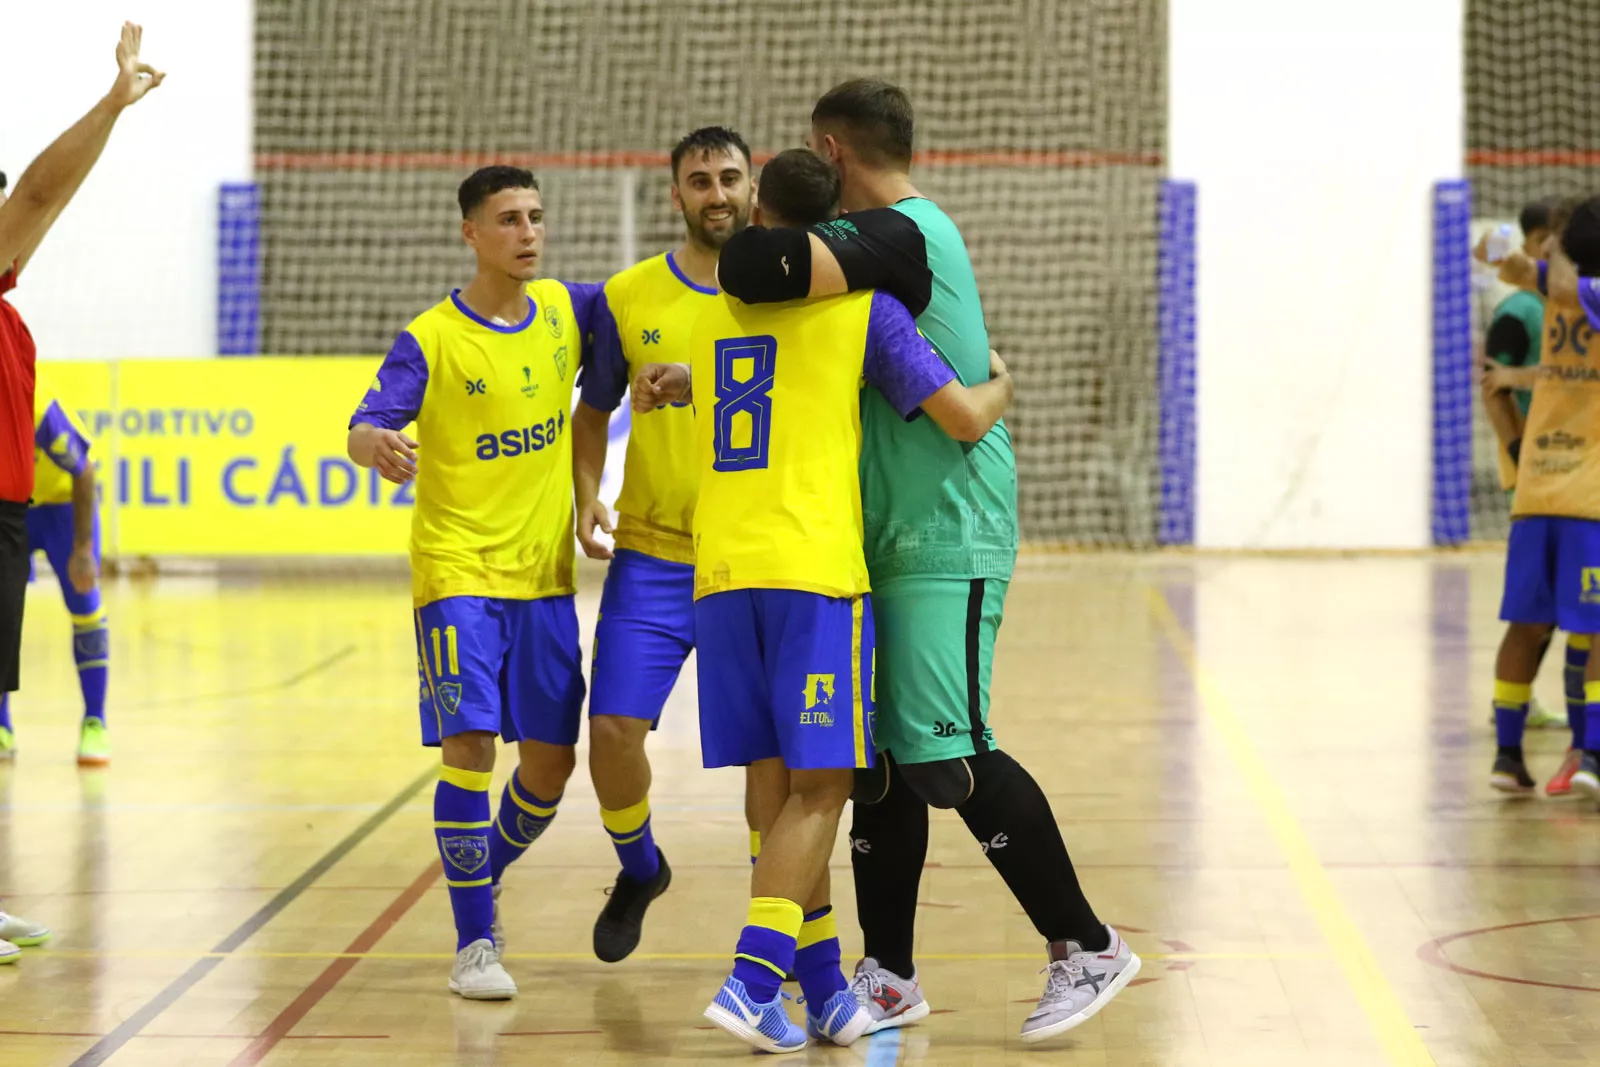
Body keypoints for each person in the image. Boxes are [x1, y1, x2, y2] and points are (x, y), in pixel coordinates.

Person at [717, 79, 1139, 1043]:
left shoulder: (907, 231)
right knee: (881, 765)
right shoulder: (871, 260)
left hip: (948, 523)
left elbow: (748, 260)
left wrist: (991, 396)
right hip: (878, 535)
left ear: (831, 149)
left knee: (946, 752)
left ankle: (1087, 943)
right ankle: (892, 972)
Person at [633, 148, 1015, 1054]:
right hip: (813, 571)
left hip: (721, 574)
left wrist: (679, 381)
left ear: (759, 211)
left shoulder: (709, 315)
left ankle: (824, 992)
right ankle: (750, 977)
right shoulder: (863, 312)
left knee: (775, 784)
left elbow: (746, 379)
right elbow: (962, 417)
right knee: (827, 785)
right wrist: (1003, 379)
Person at [347, 166, 606, 999]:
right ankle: (474, 943)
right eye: (508, 220)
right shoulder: (431, 337)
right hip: (456, 572)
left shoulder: (571, 310)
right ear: (471, 232)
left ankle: (479, 871)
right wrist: (373, 445)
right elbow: (364, 423)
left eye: (535, 217)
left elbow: (661, 307)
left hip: (544, 582)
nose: (528, 232)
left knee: (551, 766)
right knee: (468, 749)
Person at [570, 127, 756, 963]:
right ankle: (640, 866)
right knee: (610, 730)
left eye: (729, 176)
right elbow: (591, 406)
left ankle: (780, 938)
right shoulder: (628, 294)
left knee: (773, 759)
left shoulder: (795, 283)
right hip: (652, 552)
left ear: (753, 186)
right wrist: (586, 497)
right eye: (699, 180)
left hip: (759, 555)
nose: (716, 192)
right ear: (675, 195)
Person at [0, 21, 163, 967]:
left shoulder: (10, 313)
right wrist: (110, 107)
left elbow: (32, 199)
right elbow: (39, 190)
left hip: (13, 515)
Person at [1483, 195, 1600, 804]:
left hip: (1537, 489)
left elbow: (1498, 258)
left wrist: (1513, 242)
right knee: (1592, 629)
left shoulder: (1556, 295)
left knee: (1528, 625)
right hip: (1586, 494)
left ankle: (1509, 754)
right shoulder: (1580, 295)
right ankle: (1592, 753)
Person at [0, 374, 107, 764]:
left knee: (84, 603)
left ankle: (95, 722)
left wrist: (82, 548)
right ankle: (1, 725)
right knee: (3, 611)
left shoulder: (37, 407)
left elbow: (84, 472)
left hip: (62, 507)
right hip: (14, 508)